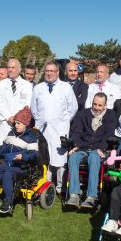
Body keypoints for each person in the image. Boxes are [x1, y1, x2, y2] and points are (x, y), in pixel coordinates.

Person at [31, 61, 78, 193]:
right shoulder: (38, 88)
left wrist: (63, 120)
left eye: (52, 71)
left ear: (58, 72)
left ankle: (60, 187)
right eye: (47, 71)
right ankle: (45, 185)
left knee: (60, 159)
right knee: (44, 156)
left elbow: (73, 108)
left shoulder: (66, 87)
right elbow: (34, 109)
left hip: (60, 128)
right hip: (42, 129)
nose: (49, 73)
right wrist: (43, 119)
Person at [0, 106, 38, 215]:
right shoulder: (11, 133)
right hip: (9, 163)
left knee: (8, 174)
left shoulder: (31, 137)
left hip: (23, 167)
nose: (15, 125)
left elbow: (34, 154)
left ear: (26, 124)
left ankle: (8, 201)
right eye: (15, 123)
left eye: (18, 123)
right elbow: (4, 147)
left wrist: (23, 156)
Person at [66, 93, 117, 209]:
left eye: (100, 105)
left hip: (99, 149)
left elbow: (109, 134)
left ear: (105, 105)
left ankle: (91, 196)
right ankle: (74, 194)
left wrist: (102, 148)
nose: (97, 107)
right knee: (73, 157)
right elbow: (77, 132)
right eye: (95, 104)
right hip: (83, 147)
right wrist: (77, 145)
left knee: (93, 157)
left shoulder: (110, 115)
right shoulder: (84, 113)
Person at [0, 59, 32, 147]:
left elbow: (27, 104)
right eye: (9, 67)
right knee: (3, 149)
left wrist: (17, 119)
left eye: (13, 67)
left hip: (20, 123)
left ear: (19, 69)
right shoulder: (1, 84)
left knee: (18, 149)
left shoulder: (27, 85)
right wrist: (8, 117)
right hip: (5, 122)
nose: (10, 69)